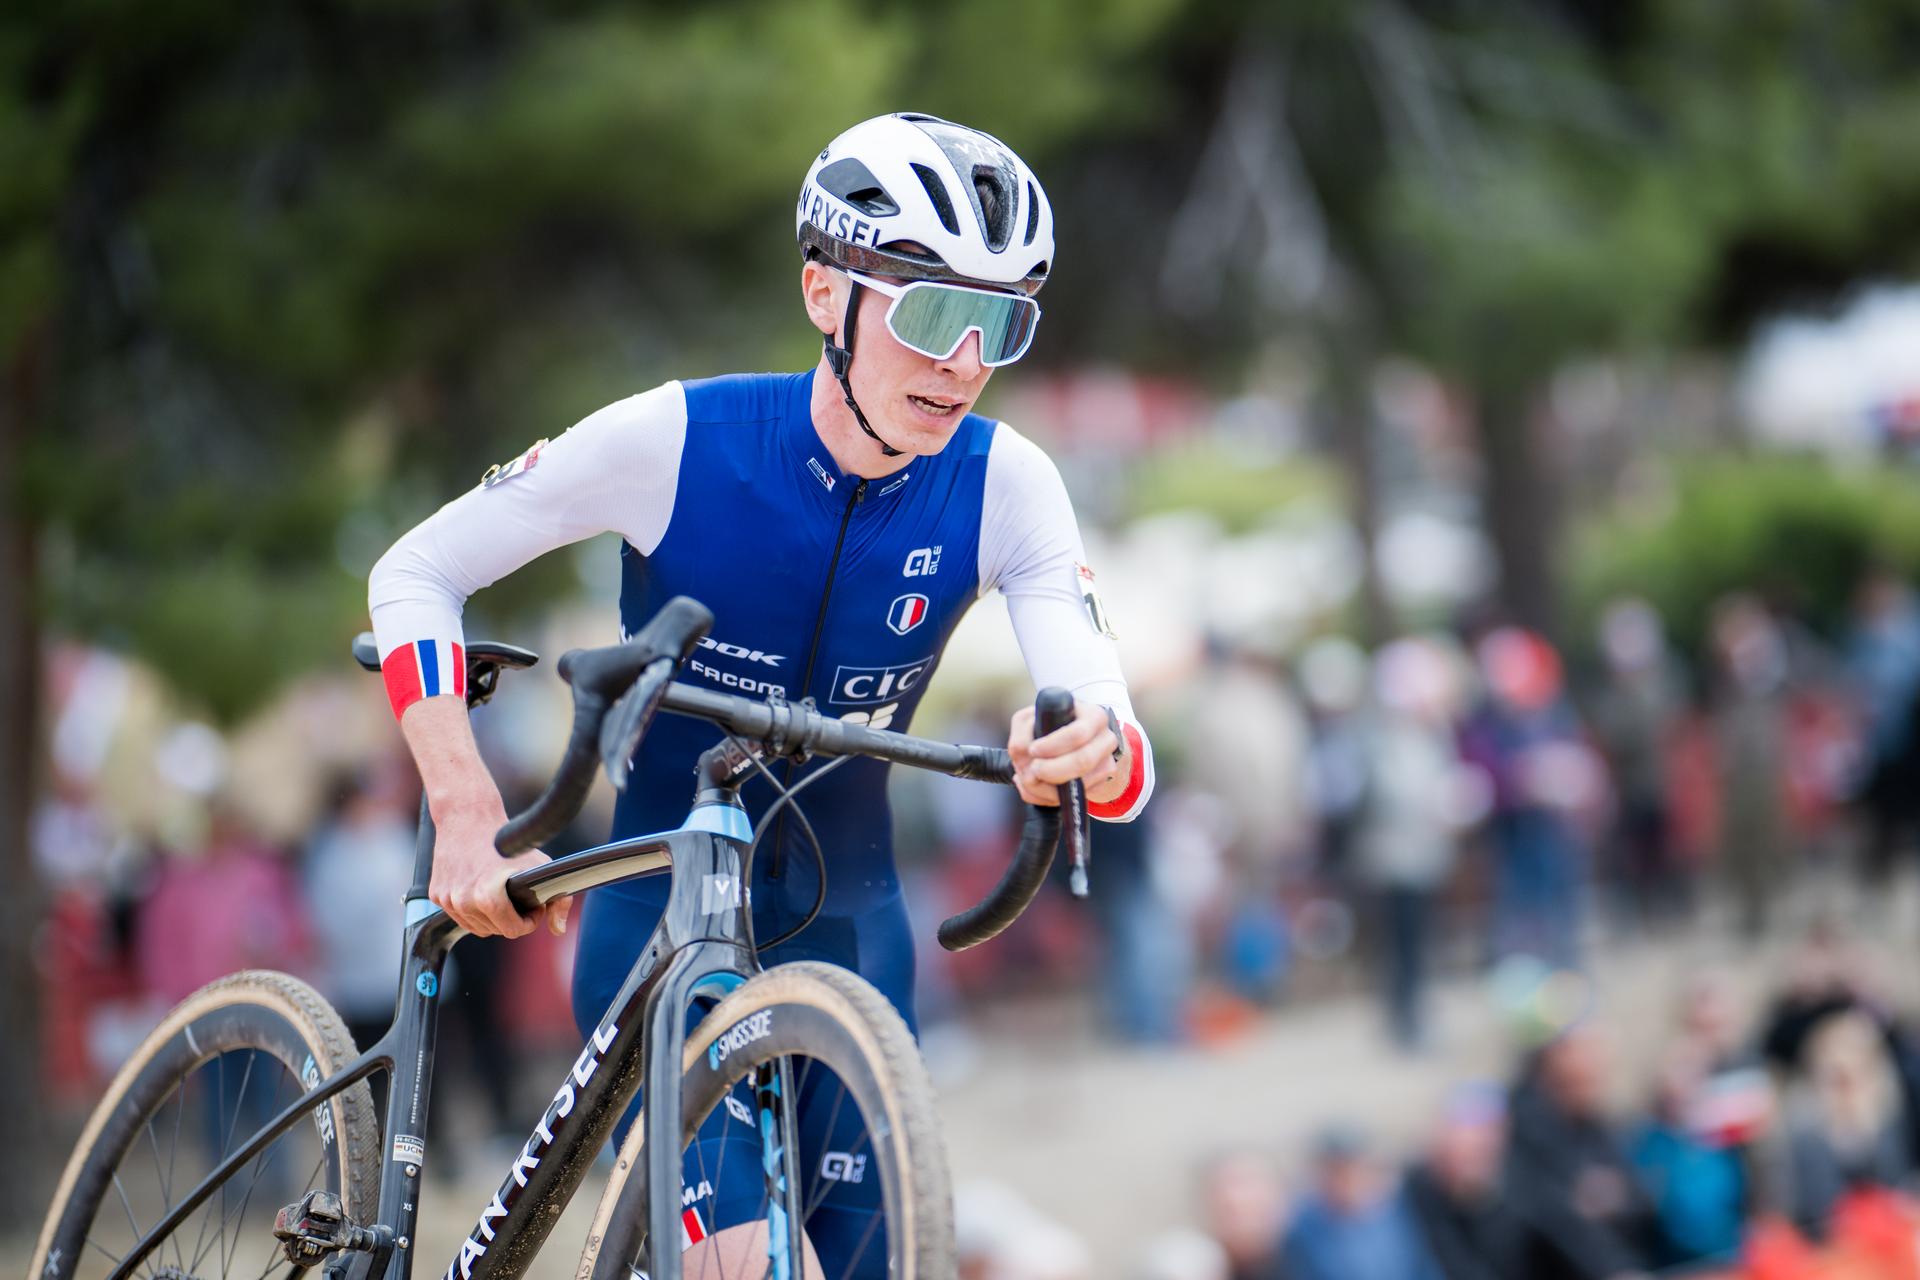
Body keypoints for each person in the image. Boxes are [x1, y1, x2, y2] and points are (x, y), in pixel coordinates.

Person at [368, 113, 1154, 1275]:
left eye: (1005, 323)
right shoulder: (676, 439)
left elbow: (1105, 722)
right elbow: (415, 572)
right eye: (936, 311)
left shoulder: (1009, 485)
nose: (966, 361)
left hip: (855, 935)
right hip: (660, 917)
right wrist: (462, 804)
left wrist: (1083, 745)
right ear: (823, 294)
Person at [1280, 1127, 1440, 1280]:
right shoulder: (1304, 1228)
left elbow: (1423, 1269)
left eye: (1352, 1169)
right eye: (1337, 1171)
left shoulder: (1396, 1216)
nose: (1347, 1180)